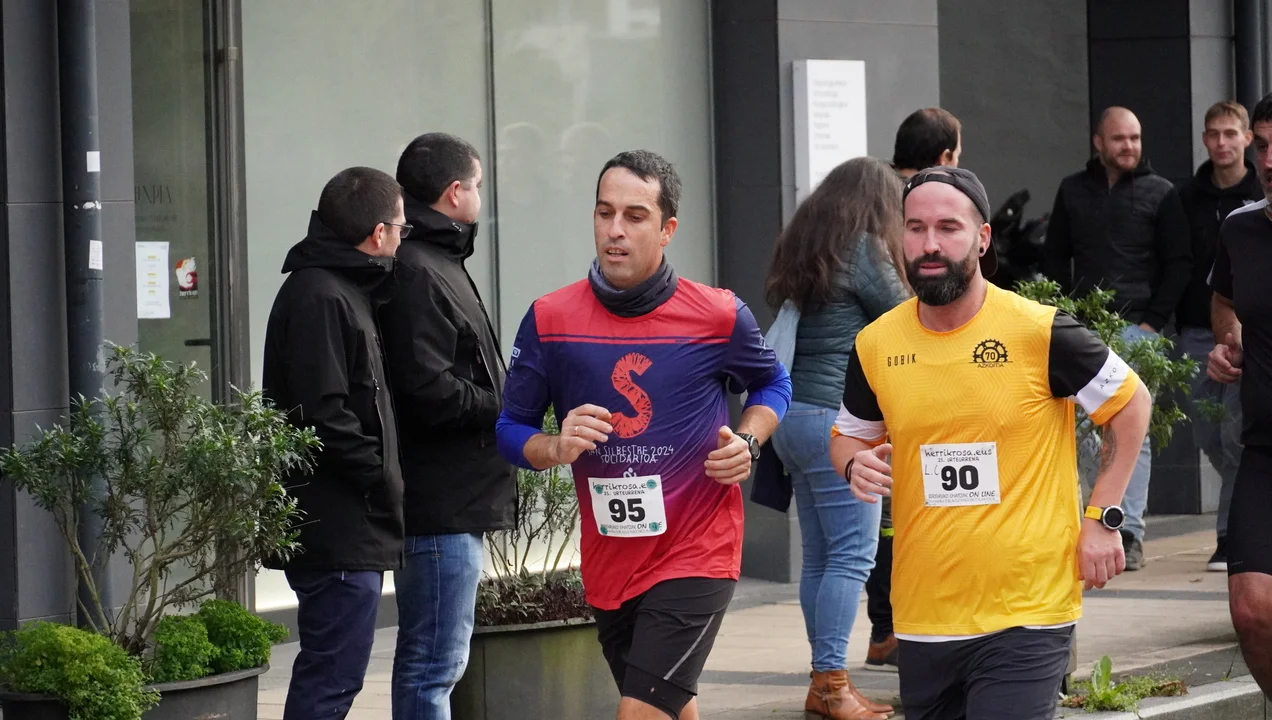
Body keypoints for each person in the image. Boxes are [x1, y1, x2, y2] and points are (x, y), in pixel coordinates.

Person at [832, 166, 1152, 719]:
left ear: (982, 238)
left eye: (948, 227)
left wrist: (1103, 516)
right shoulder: (876, 344)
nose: (930, 244)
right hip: (925, 615)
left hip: (1026, 610)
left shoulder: (1039, 331)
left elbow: (1131, 403)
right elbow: (848, 437)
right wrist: (852, 465)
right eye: (915, 228)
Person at [495, 150, 792, 720]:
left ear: (667, 229)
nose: (615, 230)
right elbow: (511, 429)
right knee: (669, 708)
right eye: (605, 212)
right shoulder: (550, 319)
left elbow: (773, 383)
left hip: (697, 548)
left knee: (639, 712)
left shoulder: (718, 315)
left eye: (634, 216)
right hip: (611, 556)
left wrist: (749, 440)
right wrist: (555, 447)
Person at [763, 156, 909, 720]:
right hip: (837, 421)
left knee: (821, 558)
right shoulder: (865, 248)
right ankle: (831, 685)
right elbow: (908, 316)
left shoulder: (806, 249)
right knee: (852, 556)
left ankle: (824, 682)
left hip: (791, 417)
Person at [261, 166, 407, 720]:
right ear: (378, 233)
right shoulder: (321, 295)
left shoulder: (335, 288)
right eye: (401, 228)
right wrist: (380, 477)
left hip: (343, 522)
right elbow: (322, 415)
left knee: (334, 676)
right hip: (338, 525)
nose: (402, 239)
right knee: (332, 679)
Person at [381, 133, 516, 720]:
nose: (482, 197)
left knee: (436, 662)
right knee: (433, 665)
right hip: (440, 506)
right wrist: (504, 406)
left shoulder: (437, 260)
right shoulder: (418, 269)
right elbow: (428, 390)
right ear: (455, 192)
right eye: (478, 185)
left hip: (453, 499)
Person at [1043, 106, 1192, 570]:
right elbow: (1054, 258)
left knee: (1132, 432)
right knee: (1082, 430)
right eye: (1119, 138)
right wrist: (1063, 318)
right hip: (1083, 328)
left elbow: (1179, 262)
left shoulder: (1161, 192)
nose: (1129, 146)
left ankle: (1129, 532)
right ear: (1098, 142)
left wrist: (1152, 323)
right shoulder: (1072, 190)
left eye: (1135, 138)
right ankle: (1094, 522)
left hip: (1138, 329)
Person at [861, 106, 966, 675]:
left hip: (871, 381)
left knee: (888, 514)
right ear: (946, 155)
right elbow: (908, 301)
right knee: (903, 512)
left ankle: (889, 627)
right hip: (900, 377)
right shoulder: (908, 204)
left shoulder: (866, 194)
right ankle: (896, 626)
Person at [1205, 92, 1272, 699]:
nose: (1270, 161)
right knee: (1251, 611)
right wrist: (1230, 342)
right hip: (1263, 449)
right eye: (1265, 146)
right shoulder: (1240, 229)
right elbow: (1225, 301)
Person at [1175, 101, 1261, 573]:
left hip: (1252, 344)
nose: (1222, 142)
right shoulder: (1186, 198)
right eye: (1214, 134)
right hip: (1195, 330)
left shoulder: (1260, 191)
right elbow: (1175, 262)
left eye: (1232, 133)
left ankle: (1229, 536)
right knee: (1209, 434)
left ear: (1245, 138)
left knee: (1234, 437)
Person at [891, 108, 962, 179]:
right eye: (957, 156)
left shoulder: (885, 181)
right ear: (945, 158)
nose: (957, 163)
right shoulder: (945, 186)